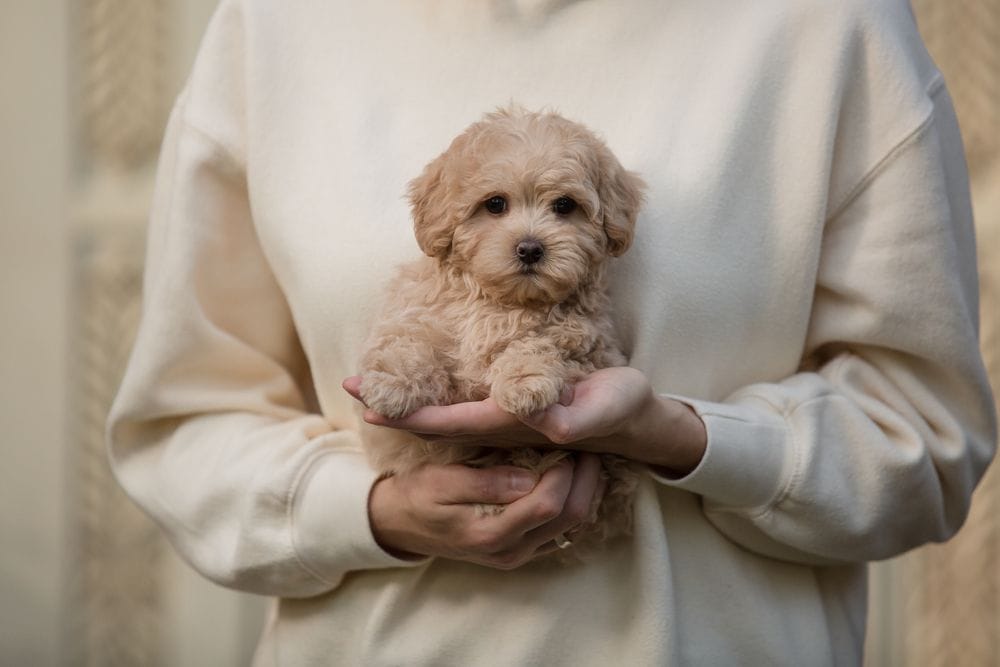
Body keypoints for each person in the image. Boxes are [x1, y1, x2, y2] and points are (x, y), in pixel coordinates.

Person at [107, 0, 998, 664]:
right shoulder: (273, 27)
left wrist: (686, 438)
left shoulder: (831, 26)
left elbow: (922, 434)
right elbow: (185, 424)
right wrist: (374, 512)